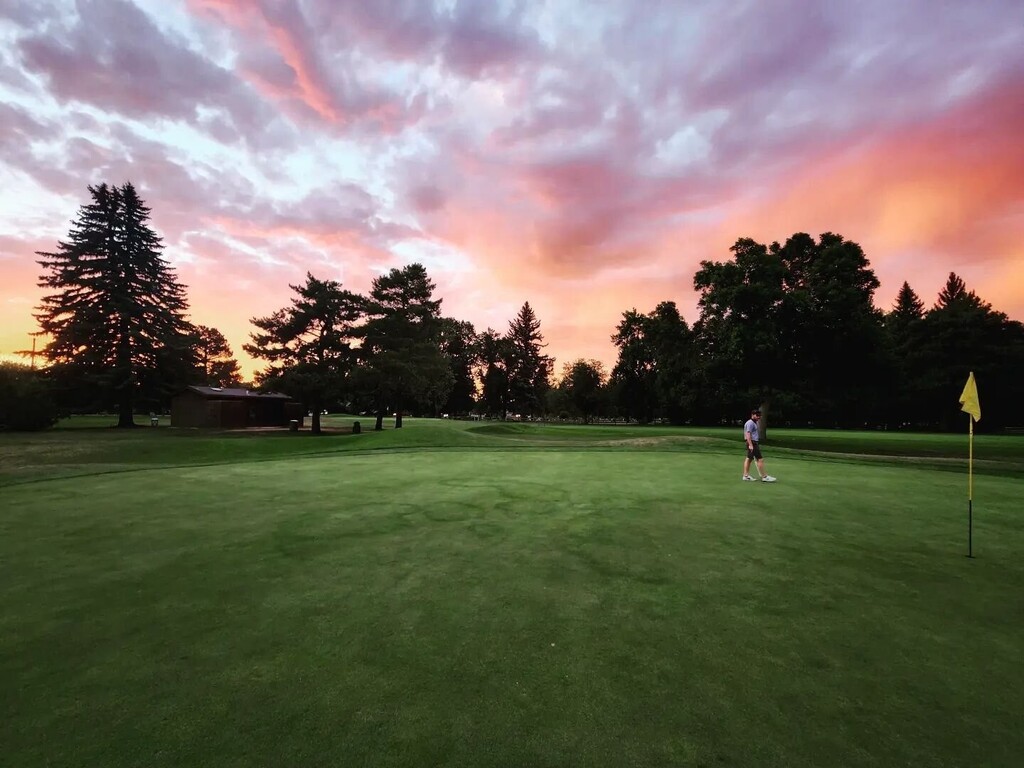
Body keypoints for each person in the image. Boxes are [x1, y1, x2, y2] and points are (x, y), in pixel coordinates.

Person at [742, 408, 776, 482]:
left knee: (749, 459)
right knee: (760, 459)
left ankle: (746, 476)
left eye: (759, 416)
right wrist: (751, 445)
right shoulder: (750, 423)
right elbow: (748, 434)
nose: (758, 417)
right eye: (757, 415)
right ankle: (764, 477)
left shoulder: (754, 422)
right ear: (752, 415)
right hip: (752, 443)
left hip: (753, 443)